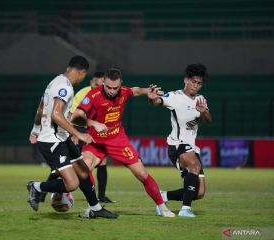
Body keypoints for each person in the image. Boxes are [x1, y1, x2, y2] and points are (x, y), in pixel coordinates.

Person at [71, 68, 175, 218]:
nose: (112, 91)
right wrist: (93, 123)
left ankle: (163, 208)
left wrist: (148, 91)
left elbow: (135, 90)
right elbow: (76, 116)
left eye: (115, 88)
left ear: (120, 85)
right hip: (96, 140)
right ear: (103, 83)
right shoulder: (93, 95)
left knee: (142, 173)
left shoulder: (123, 92)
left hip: (117, 139)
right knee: (84, 170)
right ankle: (92, 207)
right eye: (108, 87)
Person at [27, 56, 117, 219]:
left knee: (83, 172)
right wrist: (79, 134)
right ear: (82, 72)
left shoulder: (54, 81)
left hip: (59, 137)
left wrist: (35, 129)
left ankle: (95, 208)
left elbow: (41, 109)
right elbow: (56, 114)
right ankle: (37, 187)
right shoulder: (65, 87)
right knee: (72, 183)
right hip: (52, 141)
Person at [38, 71, 115, 204]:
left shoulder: (105, 94)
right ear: (91, 82)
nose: (98, 86)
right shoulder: (82, 94)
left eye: (101, 84)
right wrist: (74, 135)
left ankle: (101, 197)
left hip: (91, 131)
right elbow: (71, 116)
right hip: (78, 130)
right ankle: (42, 191)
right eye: (96, 84)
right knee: (65, 167)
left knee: (102, 162)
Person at [148, 63, 212, 218]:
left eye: (199, 83)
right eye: (193, 82)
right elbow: (157, 102)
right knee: (194, 165)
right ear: (186, 80)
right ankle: (185, 209)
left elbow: (209, 120)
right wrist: (152, 98)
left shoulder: (201, 99)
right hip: (177, 145)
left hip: (191, 147)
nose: (196, 86)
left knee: (199, 192)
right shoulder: (175, 96)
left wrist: (204, 113)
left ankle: (164, 196)